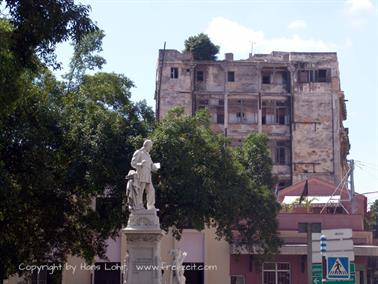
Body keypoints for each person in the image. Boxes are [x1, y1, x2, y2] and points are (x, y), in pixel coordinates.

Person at [130, 140, 159, 210]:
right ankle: (138, 206)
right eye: (150, 147)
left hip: (148, 176)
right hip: (141, 175)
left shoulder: (148, 155)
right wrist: (140, 164)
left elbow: (151, 165)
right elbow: (133, 163)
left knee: (151, 191)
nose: (150, 148)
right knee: (140, 191)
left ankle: (151, 206)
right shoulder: (139, 152)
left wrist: (155, 167)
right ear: (147, 145)